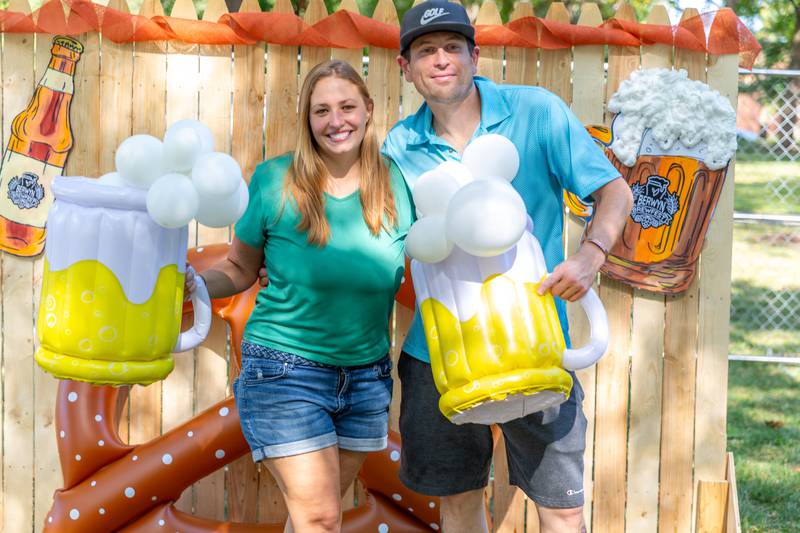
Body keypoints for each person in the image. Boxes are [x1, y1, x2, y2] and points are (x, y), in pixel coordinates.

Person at [380, 2, 634, 532]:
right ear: (405, 68)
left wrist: (591, 257)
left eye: (452, 47)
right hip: (440, 355)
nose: (441, 60)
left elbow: (614, 192)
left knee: (562, 508)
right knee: (458, 505)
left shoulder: (536, 111)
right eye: (425, 51)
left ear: (475, 55)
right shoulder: (399, 144)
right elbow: (393, 241)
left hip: (538, 344)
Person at [185, 59, 414, 533]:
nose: (336, 121)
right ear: (307, 120)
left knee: (315, 517)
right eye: (322, 111)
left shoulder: (395, 181)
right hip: (285, 371)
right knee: (321, 518)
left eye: (348, 107)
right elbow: (238, 268)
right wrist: (188, 285)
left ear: (369, 110)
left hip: (367, 376)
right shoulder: (274, 180)